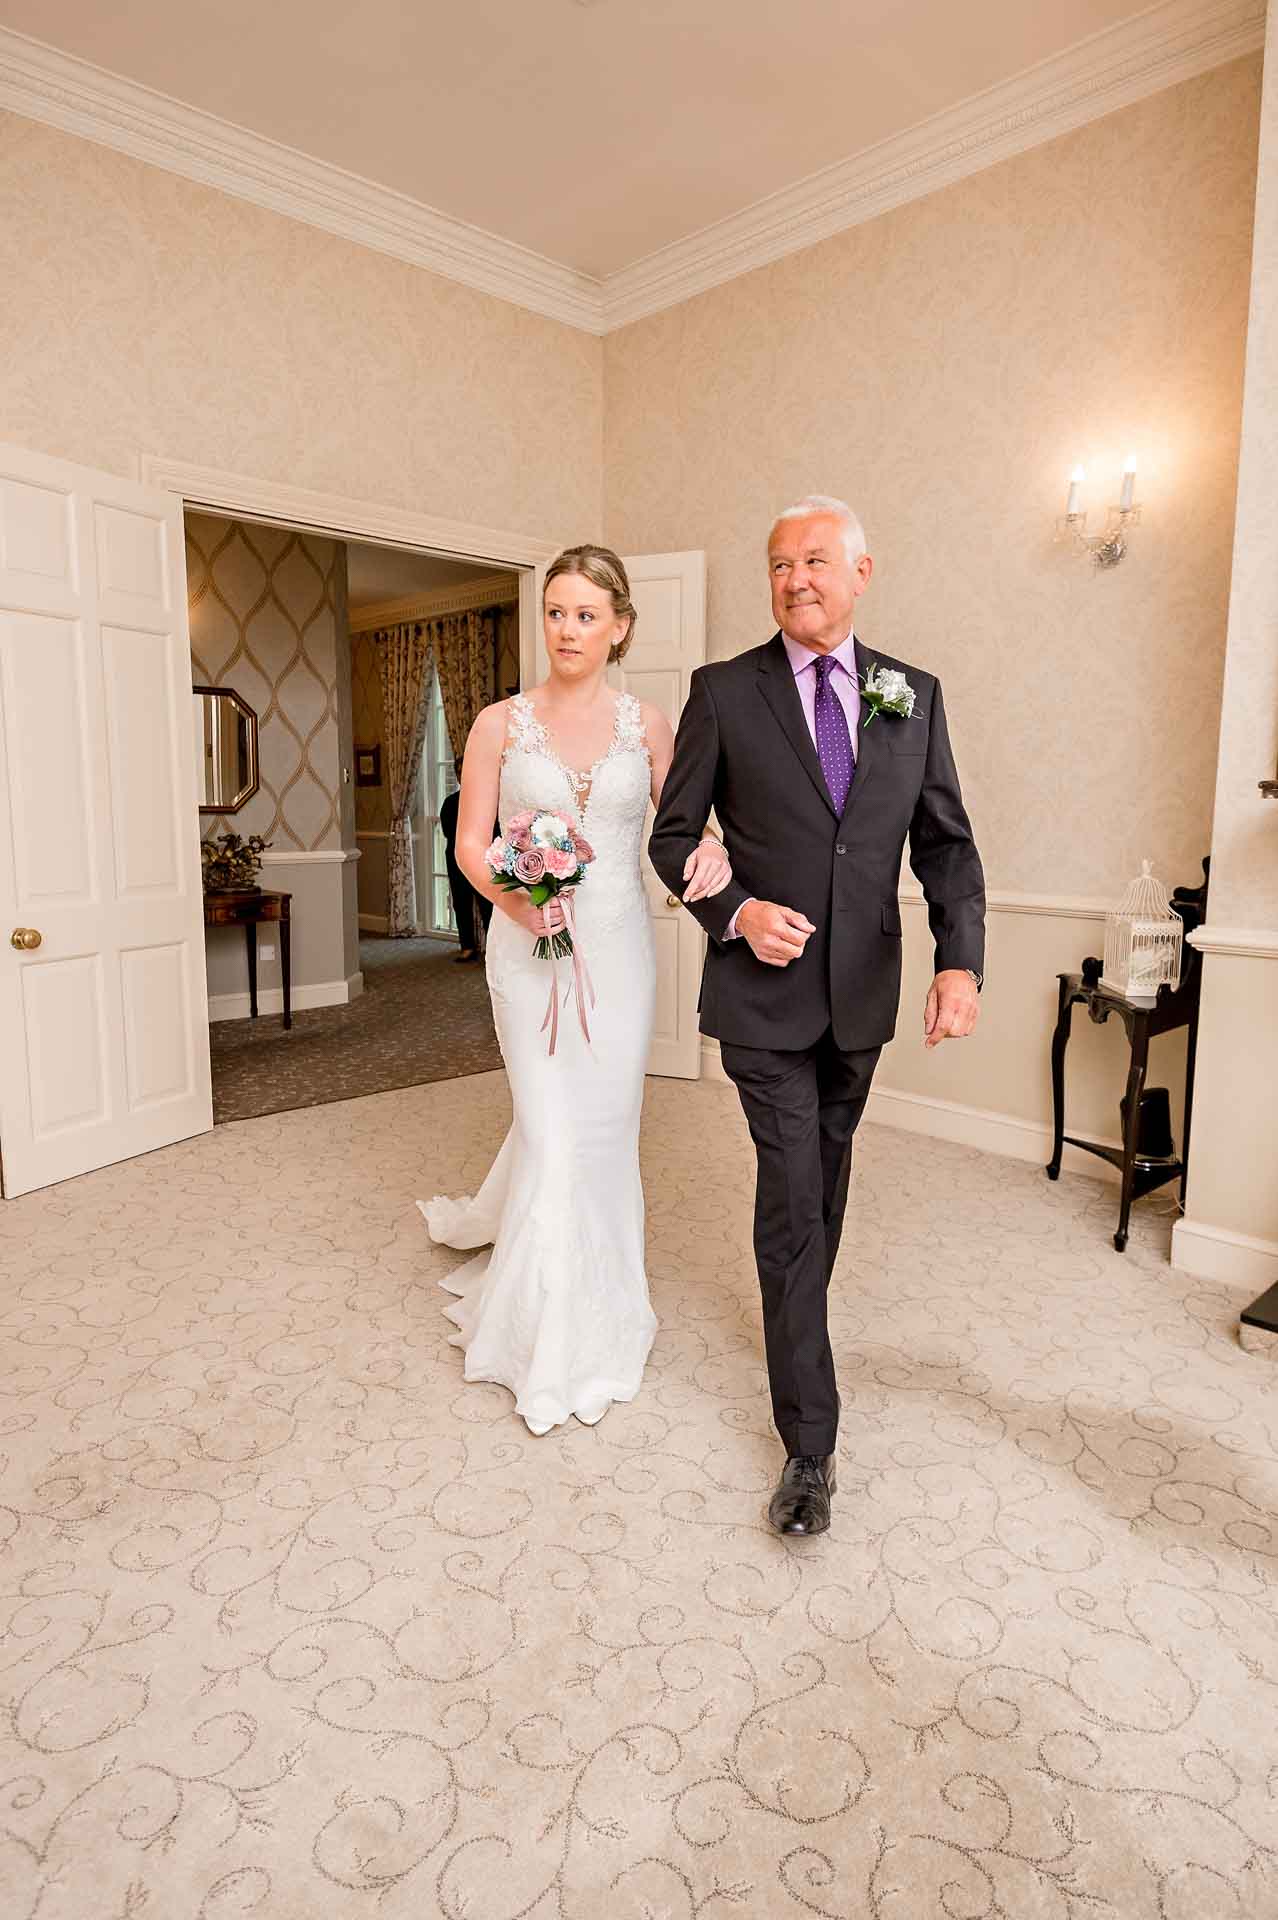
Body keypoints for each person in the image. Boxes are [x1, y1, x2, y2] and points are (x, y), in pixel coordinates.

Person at [649, 495, 985, 1537]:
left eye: (817, 560)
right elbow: (672, 838)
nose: (797, 577)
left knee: (824, 1185)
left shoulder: (908, 695)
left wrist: (960, 963)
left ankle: (800, 1320)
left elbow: (945, 844)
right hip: (760, 998)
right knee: (795, 1195)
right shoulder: (723, 691)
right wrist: (735, 909)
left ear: (862, 572)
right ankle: (810, 1445)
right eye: (781, 562)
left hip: (864, 997)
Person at [419, 546, 732, 1436]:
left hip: (621, 952)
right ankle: (542, 1340)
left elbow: (679, 831)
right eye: (555, 611)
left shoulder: (650, 725)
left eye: (587, 614)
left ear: (620, 626)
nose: (567, 629)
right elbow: (470, 844)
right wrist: (517, 904)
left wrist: (712, 851)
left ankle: (603, 1314)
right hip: (529, 953)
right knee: (553, 1135)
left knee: (601, 1134)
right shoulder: (496, 724)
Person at [438, 786, 491, 962]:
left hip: (484, 858)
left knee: (488, 905)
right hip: (456, 858)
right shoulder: (450, 802)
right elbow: (447, 831)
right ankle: (467, 947)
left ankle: (492, 949)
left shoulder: (487, 800)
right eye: (459, 770)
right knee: (461, 904)